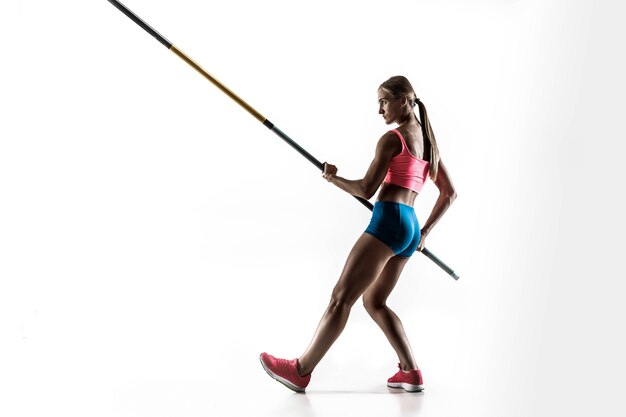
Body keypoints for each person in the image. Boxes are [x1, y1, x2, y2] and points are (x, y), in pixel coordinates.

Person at [260, 75, 457, 393]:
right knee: (374, 301)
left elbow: (366, 189)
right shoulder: (428, 143)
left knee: (341, 298)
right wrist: (424, 233)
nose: (380, 109)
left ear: (404, 100)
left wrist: (333, 178)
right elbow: (449, 192)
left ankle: (300, 370)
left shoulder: (393, 139)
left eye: (384, 100)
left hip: (389, 222)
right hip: (409, 227)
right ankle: (410, 371)